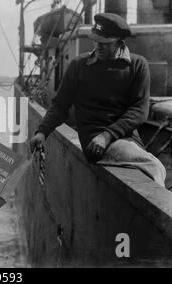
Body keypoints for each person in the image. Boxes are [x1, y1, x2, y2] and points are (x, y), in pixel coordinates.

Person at [30, 12, 166, 187]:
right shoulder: (79, 65)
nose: (97, 46)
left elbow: (139, 111)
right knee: (155, 167)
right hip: (95, 142)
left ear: (119, 41)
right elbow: (60, 105)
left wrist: (108, 135)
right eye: (95, 40)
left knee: (146, 168)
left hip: (124, 139)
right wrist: (42, 131)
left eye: (104, 43)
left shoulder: (138, 65)